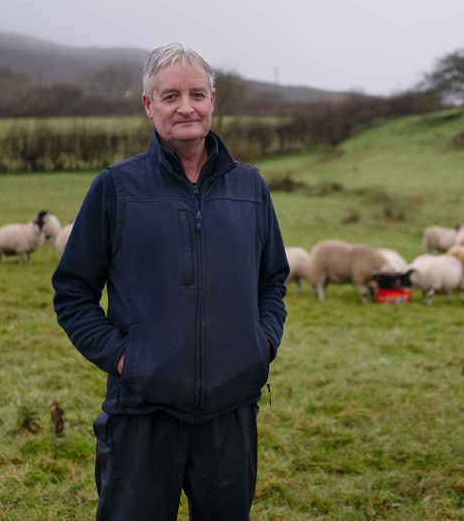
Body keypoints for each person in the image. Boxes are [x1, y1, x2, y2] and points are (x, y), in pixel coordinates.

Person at [52, 43, 289, 520]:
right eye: (170, 96)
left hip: (230, 412)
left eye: (197, 94)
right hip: (141, 411)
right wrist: (125, 359)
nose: (186, 107)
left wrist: (260, 345)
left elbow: (273, 282)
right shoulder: (116, 187)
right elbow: (73, 292)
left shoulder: (250, 188)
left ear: (212, 101)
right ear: (148, 105)